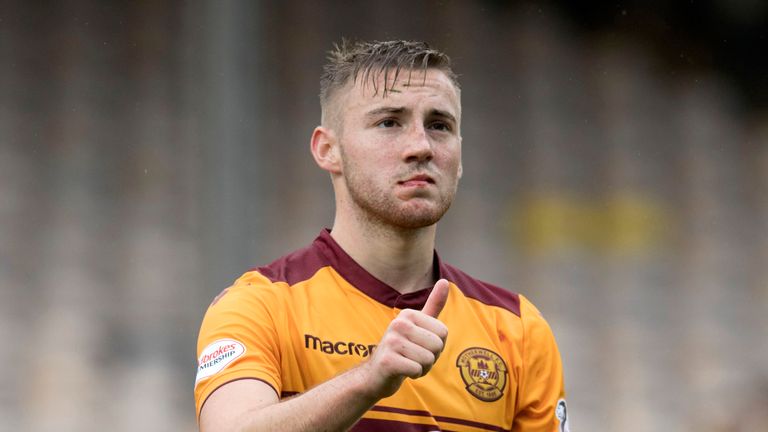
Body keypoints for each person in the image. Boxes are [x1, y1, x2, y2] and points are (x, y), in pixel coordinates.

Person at [194, 39, 568, 432]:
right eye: (389, 122)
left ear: (460, 156)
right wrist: (368, 379)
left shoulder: (518, 328)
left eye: (439, 125)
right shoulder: (260, 305)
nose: (420, 146)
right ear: (327, 150)